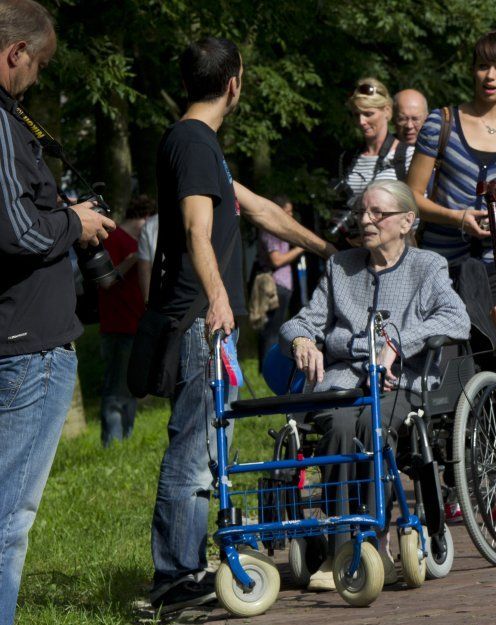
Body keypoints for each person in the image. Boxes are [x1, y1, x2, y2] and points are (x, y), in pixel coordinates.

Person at [148, 37, 337, 614]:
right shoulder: (194, 143)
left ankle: (185, 566)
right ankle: (177, 581)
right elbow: (196, 230)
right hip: (201, 324)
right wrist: (218, 300)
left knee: (209, 448)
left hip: (204, 320)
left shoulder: (197, 143)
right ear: (235, 82)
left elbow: (260, 209)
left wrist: (327, 247)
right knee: (194, 452)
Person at [280, 180, 470, 590]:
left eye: (377, 213)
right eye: (361, 212)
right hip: (341, 381)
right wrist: (300, 340)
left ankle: (370, 537)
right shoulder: (340, 267)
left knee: (370, 423)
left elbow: (456, 319)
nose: (365, 220)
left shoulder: (427, 266)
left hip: (399, 383)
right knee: (342, 425)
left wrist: (397, 342)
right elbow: (302, 320)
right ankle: (341, 545)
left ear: (406, 222)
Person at [0, 2, 117, 622]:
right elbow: (17, 231)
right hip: (26, 346)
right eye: (37, 64)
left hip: (13, 338)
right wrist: (77, 220)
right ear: (15, 53)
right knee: (8, 521)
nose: (37, 78)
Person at [407, 30, 496, 271]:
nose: (490, 76)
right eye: (483, 66)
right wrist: (456, 218)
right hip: (441, 267)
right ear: (473, 69)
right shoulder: (440, 123)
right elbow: (411, 197)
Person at [97, 194, 155, 446]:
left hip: (136, 325)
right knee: (115, 391)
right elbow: (105, 280)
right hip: (117, 327)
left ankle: (125, 443)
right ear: (144, 218)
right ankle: (112, 443)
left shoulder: (136, 240)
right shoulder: (115, 238)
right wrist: (135, 258)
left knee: (130, 389)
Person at [339, 78, 411, 205]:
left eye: (368, 114)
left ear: (387, 111)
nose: (361, 122)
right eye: (357, 115)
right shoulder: (347, 158)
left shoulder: (408, 155)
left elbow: (418, 210)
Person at [255, 194, 304, 367]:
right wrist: (300, 249)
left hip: (283, 286)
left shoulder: (278, 230)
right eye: (287, 212)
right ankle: (269, 366)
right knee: (272, 330)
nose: (290, 216)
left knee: (275, 328)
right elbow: (277, 260)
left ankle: (269, 364)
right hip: (275, 286)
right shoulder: (270, 230)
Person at [136, 212, 158, 302]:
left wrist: (147, 300)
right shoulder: (202, 216)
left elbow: (144, 269)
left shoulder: (150, 223)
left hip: (161, 295)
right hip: (196, 296)